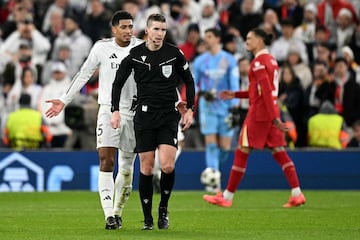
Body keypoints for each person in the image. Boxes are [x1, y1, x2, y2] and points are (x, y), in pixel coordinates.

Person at [44, 11, 143, 230]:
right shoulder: (101, 48)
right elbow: (84, 73)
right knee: (106, 161)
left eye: (130, 27)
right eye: (124, 27)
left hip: (133, 113)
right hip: (108, 110)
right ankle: (109, 215)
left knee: (126, 168)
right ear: (114, 29)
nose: (128, 31)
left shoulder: (141, 48)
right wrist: (63, 100)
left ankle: (118, 211)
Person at [203, 28, 306, 208]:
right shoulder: (271, 60)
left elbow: (265, 90)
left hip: (260, 114)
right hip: (270, 109)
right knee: (279, 152)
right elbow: (258, 92)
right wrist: (235, 94)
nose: (246, 41)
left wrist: (274, 118)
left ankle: (226, 197)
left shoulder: (258, 63)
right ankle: (297, 193)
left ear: (260, 40)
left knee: (242, 151)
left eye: (250, 38)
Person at [111, 13, 195, 230]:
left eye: (163, 30)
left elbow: (189, 81)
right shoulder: (135, 55)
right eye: (156, 29)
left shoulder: (174, 53)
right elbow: (118, 84)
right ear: (147, 31)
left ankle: (163, 209)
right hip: (145, 117)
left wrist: (190, 110)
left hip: (168, 116)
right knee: (146, 169)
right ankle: (147, 218)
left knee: (167, 166)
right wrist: (115, 111)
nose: (160, 34)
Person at [192, 27, 239, 192]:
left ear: (218, 39)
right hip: (208, 108)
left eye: (210, 36)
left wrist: (235, 106)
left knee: (225, 148)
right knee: (211, 145)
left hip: (226, 108)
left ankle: (214, 172)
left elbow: (234, 83)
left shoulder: (229, 60)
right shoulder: (200, 61)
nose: (207, 40)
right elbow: (193, 85)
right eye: (205, 37)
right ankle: (214, 183)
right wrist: (202, 94)